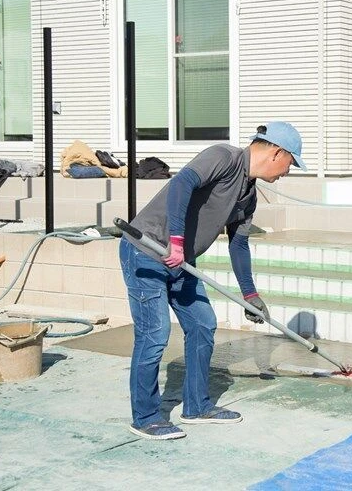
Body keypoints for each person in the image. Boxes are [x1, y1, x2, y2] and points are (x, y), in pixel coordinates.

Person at [119, 122, 306, 440]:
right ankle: (146, 416)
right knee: (154, 334)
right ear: (277, 152)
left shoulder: (248, 196)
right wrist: (176, 239)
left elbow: (238, 243)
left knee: (203, 324)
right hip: (146, 250)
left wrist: (250, 294)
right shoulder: (223, 157)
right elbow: (182, 184)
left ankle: (196, 406)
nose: (288, 171)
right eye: (291, 163)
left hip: (181, 263)